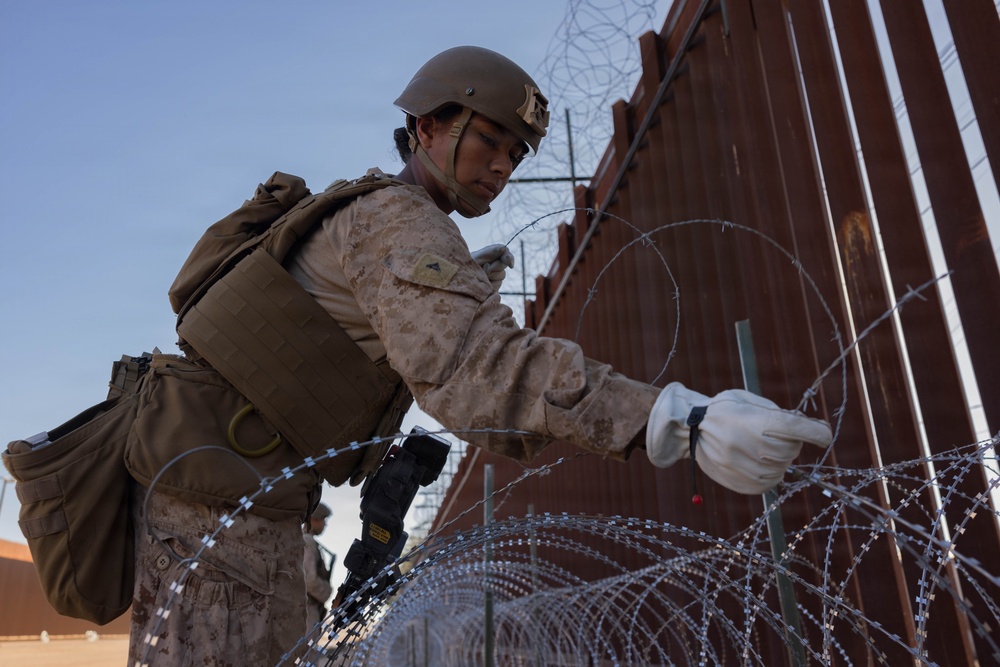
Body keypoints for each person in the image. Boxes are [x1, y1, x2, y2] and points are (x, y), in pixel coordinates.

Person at [124, 45, 832, 666]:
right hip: (225, 527)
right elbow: (474, 369)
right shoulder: (399, 218)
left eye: (517, 153)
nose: (502, 166)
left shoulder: (374, 211)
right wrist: (675, 415)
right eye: (489, 140)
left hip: (222, 508)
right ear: (428, 125)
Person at [302, 503, 334, 632]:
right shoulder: (307, 542)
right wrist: (328, 591)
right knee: (307, 650)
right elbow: (309, 580)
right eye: (323, 520)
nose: (325, 525)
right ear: (314, 520)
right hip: (307, 609)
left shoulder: (305, 540)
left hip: (307, 608)